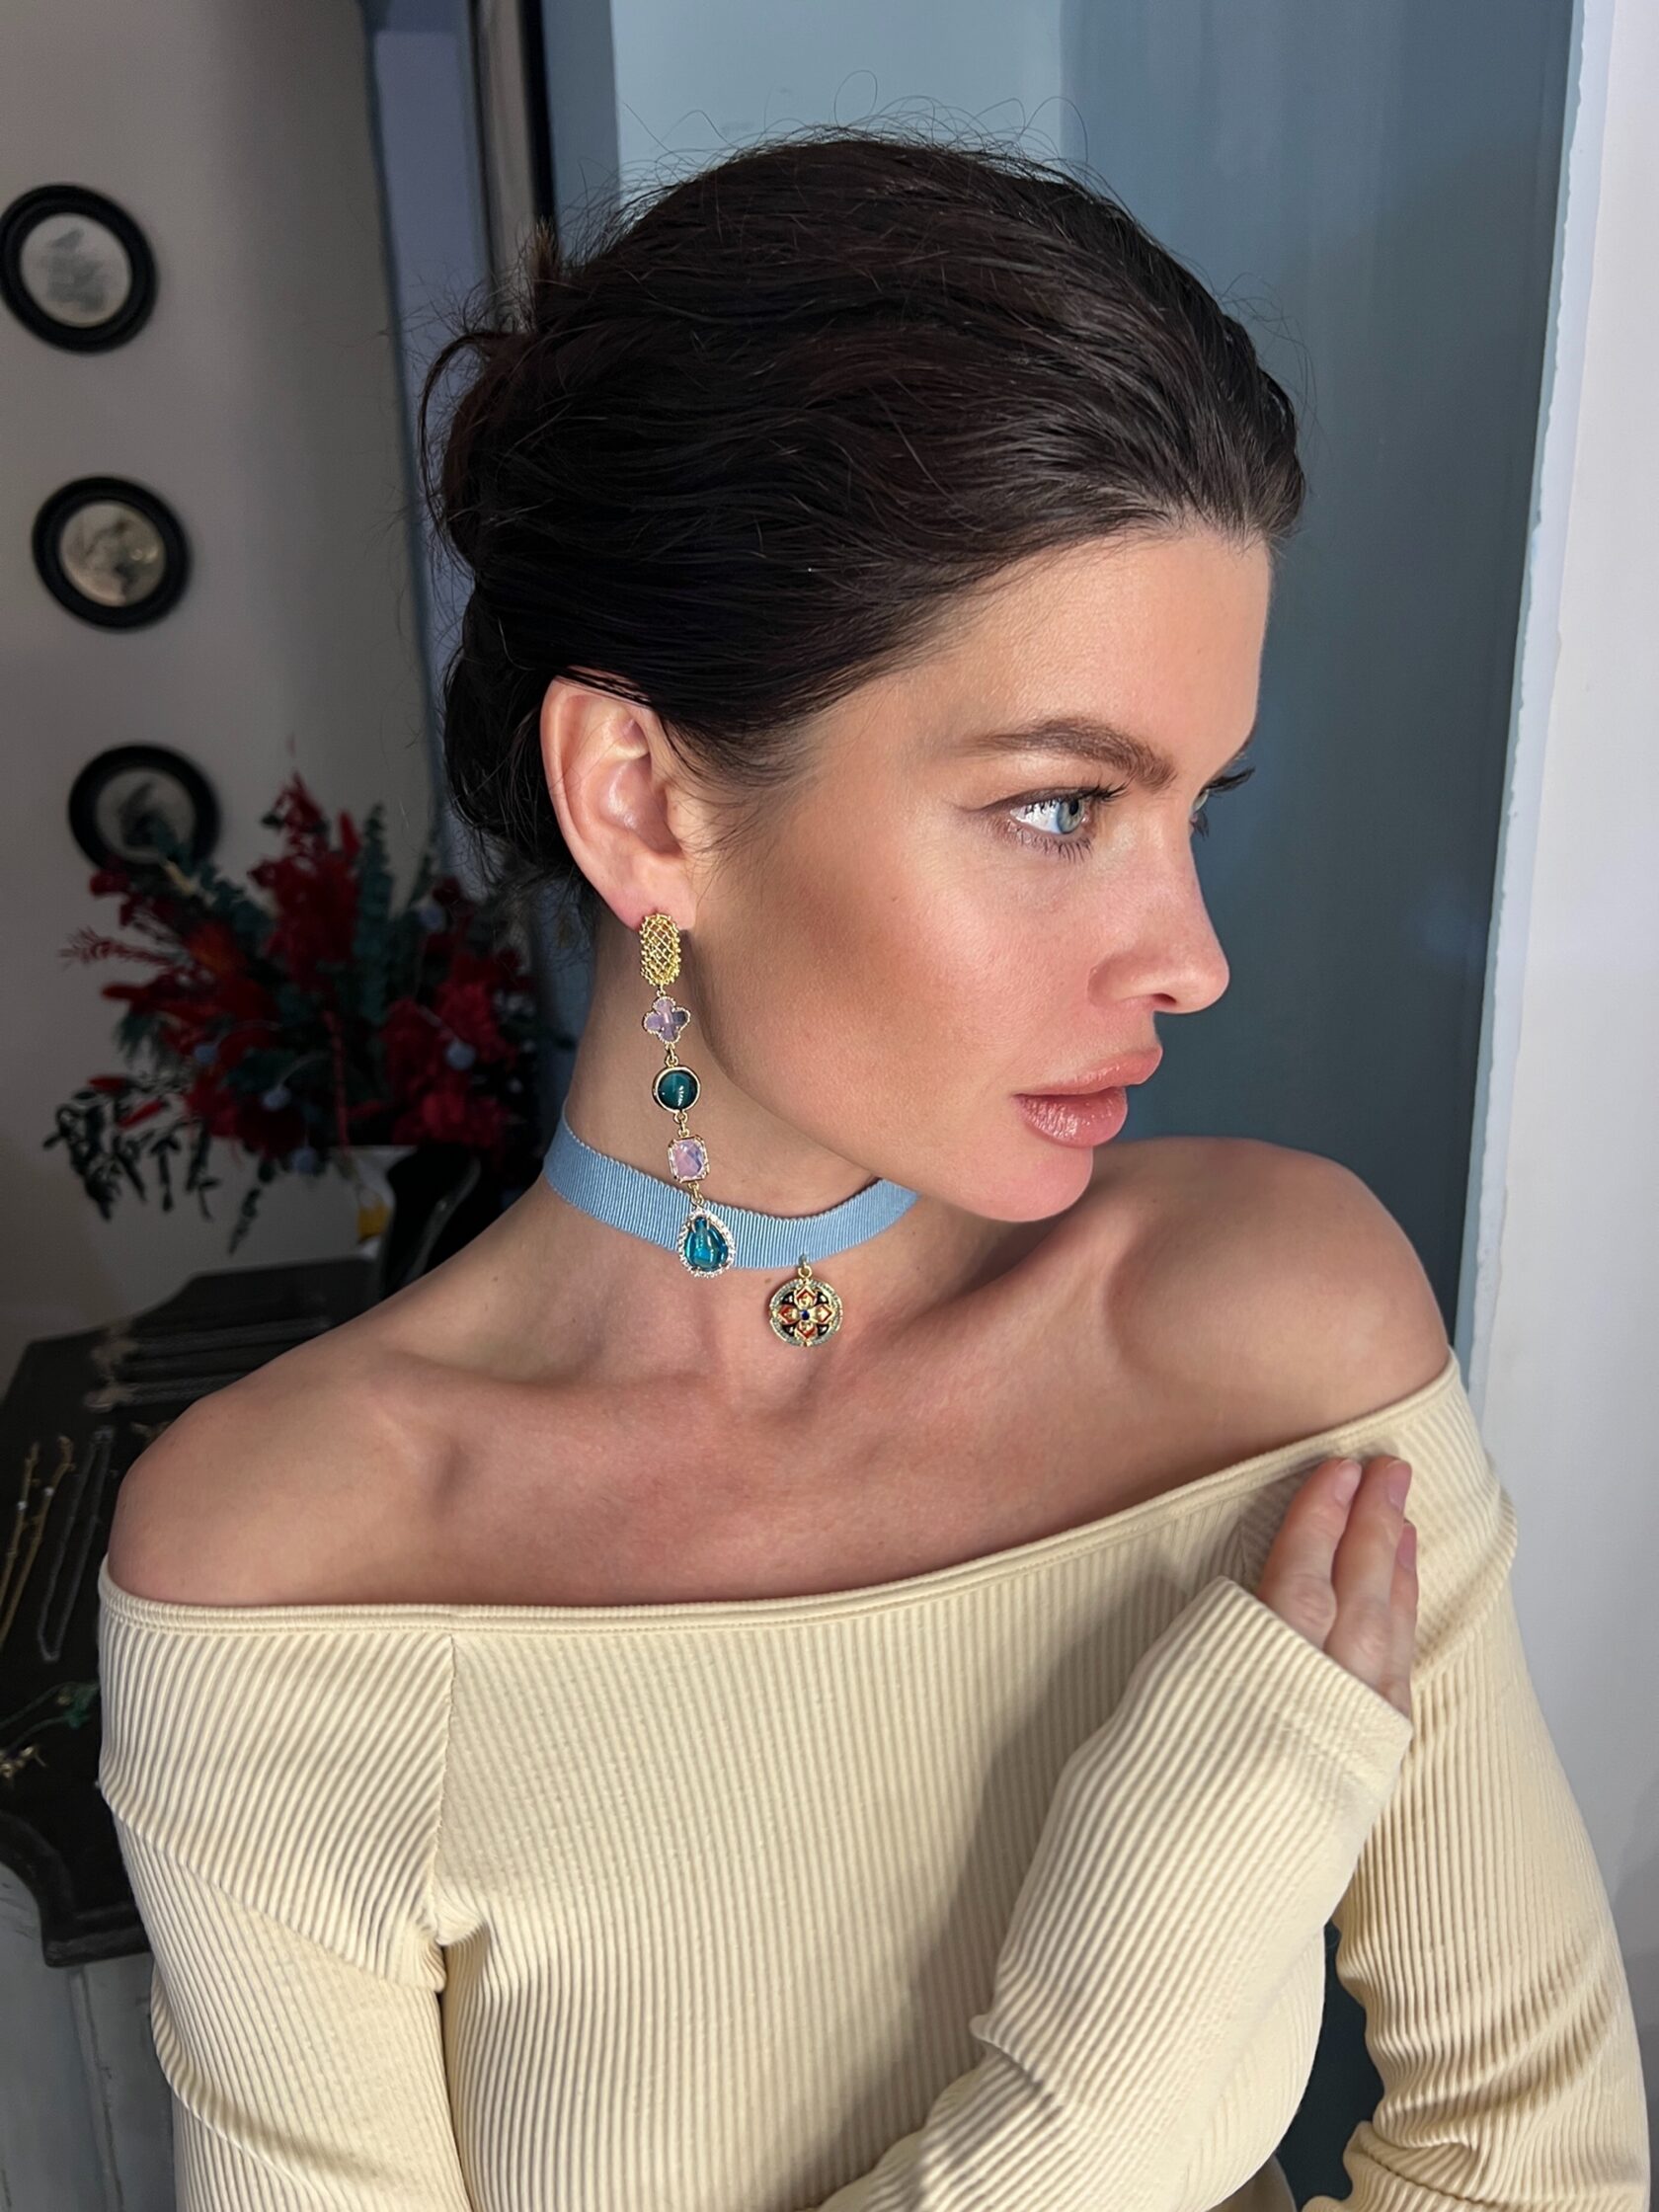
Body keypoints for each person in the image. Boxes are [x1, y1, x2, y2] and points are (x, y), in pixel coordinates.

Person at [94, 125, 1647, 2211]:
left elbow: (1538, 2168)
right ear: (643, 801)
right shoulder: (291, 1565)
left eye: (1195, 809)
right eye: (1061, 807)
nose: (1192, 957)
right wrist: (1097, 2084)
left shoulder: (1276, 1332)